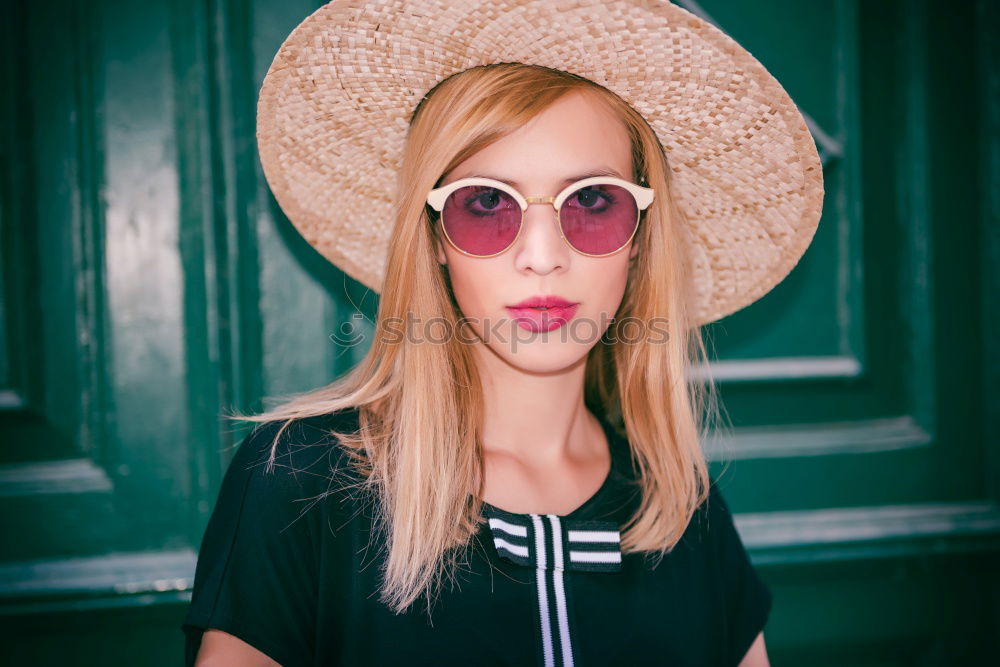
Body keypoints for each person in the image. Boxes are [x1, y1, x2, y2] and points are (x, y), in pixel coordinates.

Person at [181, 1, 824, 666]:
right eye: (486, 202)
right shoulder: (300, 483)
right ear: (433, 237)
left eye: (593, 201)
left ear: (639, 238)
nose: (542, 255)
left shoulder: (683, 508)